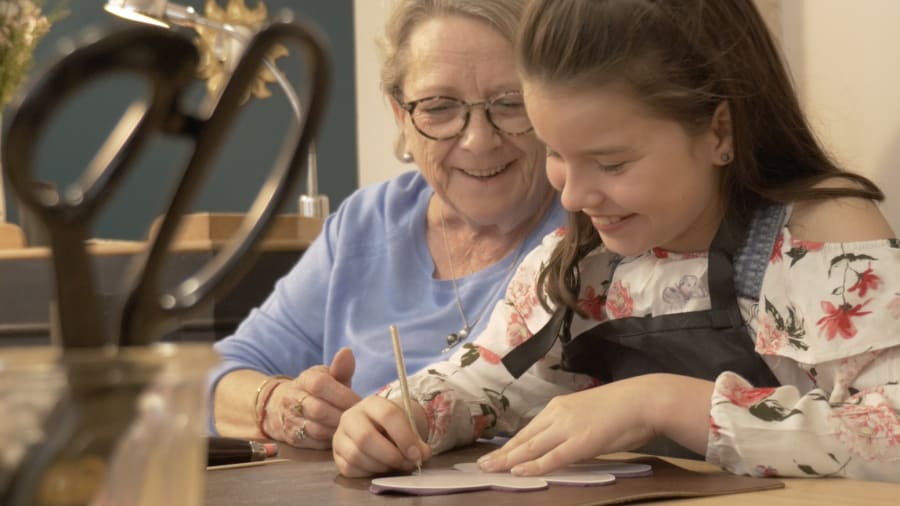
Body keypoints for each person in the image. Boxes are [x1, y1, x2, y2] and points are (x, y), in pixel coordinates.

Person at [332, 0, 900, 482]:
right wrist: (398, 416)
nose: (574, 197)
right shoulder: (582, 260)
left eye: (611, 162)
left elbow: (891, 436)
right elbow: (488, 381)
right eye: (555, 153)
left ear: (719, 131)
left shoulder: (822, 237)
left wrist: (661, 402)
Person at [208, 0, 564, 450]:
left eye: (510, 103)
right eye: (439, 108)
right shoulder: (366, 224)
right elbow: (216, 374)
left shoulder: (594, 228)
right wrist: (280, 405)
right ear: (401, 118)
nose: (478, 140)